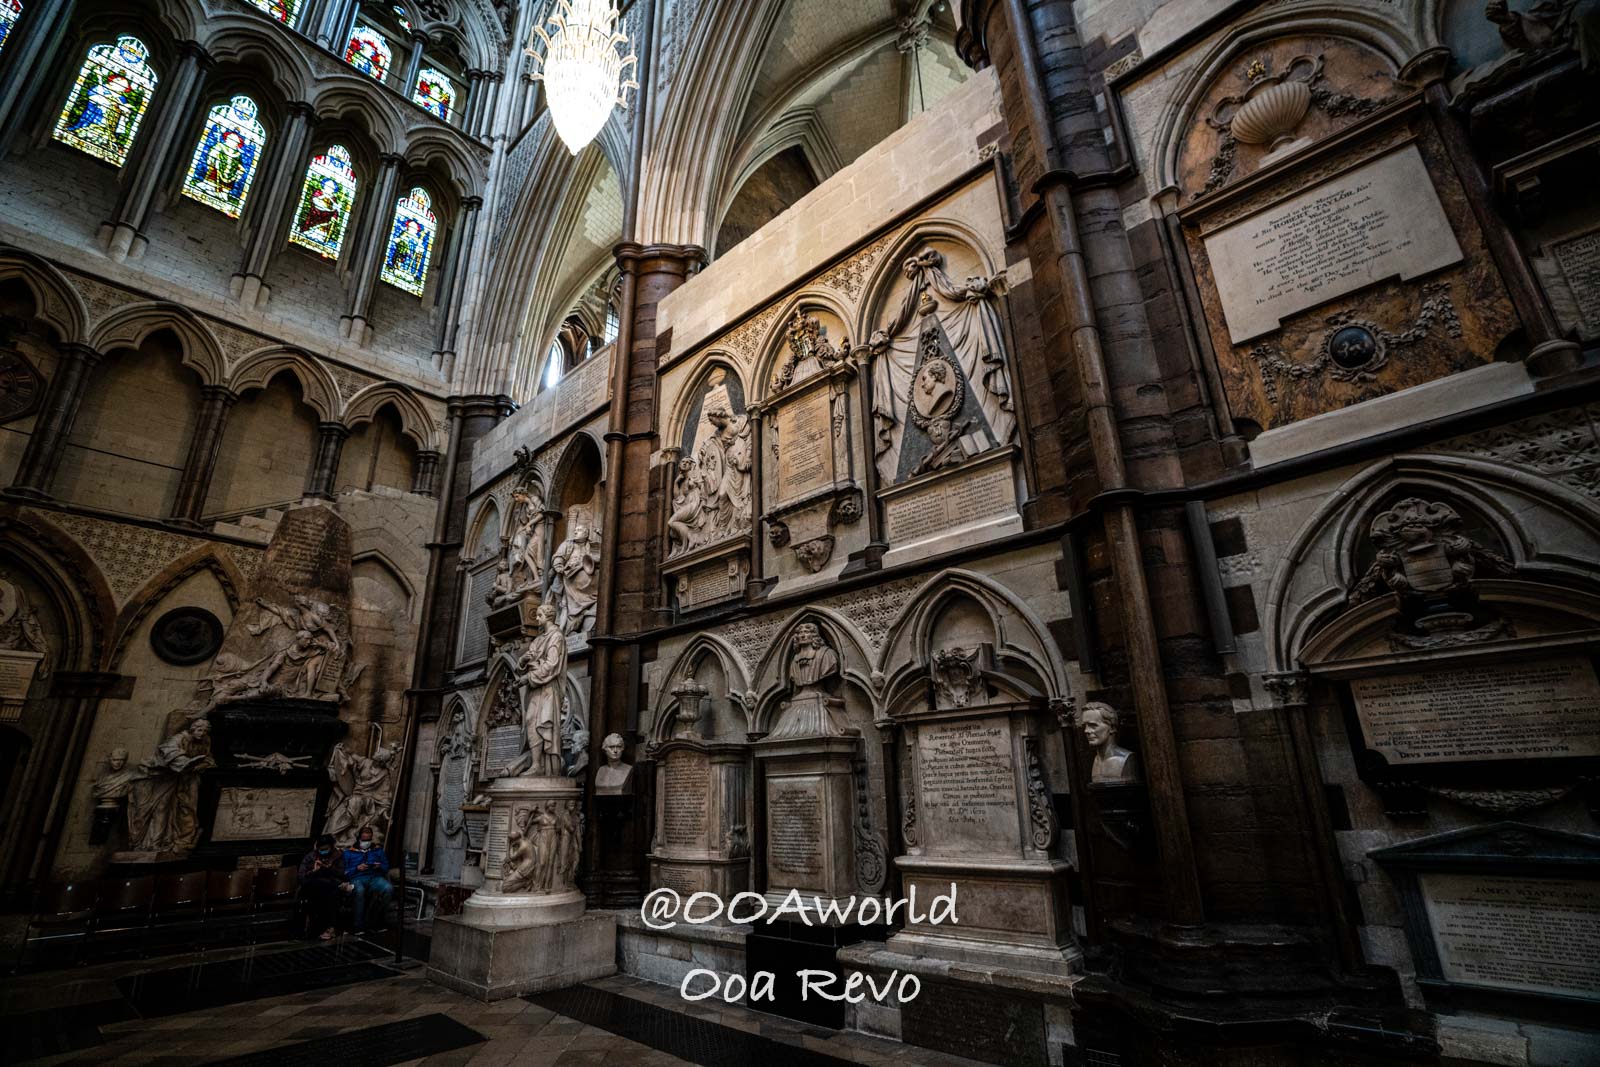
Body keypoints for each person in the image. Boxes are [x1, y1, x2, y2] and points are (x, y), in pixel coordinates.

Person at [297, 833, 351, 941]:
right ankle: (315, 927)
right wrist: (313, 871)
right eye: (321, 849)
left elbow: (342, 874)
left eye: (326, 849)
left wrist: (328, 868)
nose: (323, 851)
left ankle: (330, 927)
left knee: (333, 894)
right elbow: (301, 876)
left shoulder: (338, 856)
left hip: (331, 886)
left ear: (331, 847)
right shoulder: (311, 856)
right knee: (319, 892)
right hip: (312, 885)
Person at [343, 824, 395, 933]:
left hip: (374, 877)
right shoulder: (348, 852)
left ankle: (376, 922)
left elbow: (386, 867)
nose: (366, 841)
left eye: (368, 839)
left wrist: (379, 866)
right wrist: (357, 868)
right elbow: (344, 872)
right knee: (359, 891)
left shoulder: (378, 850)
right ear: (359, 838)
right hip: (357, 878)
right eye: (364, 839)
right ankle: (358, 925)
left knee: (388, 888)